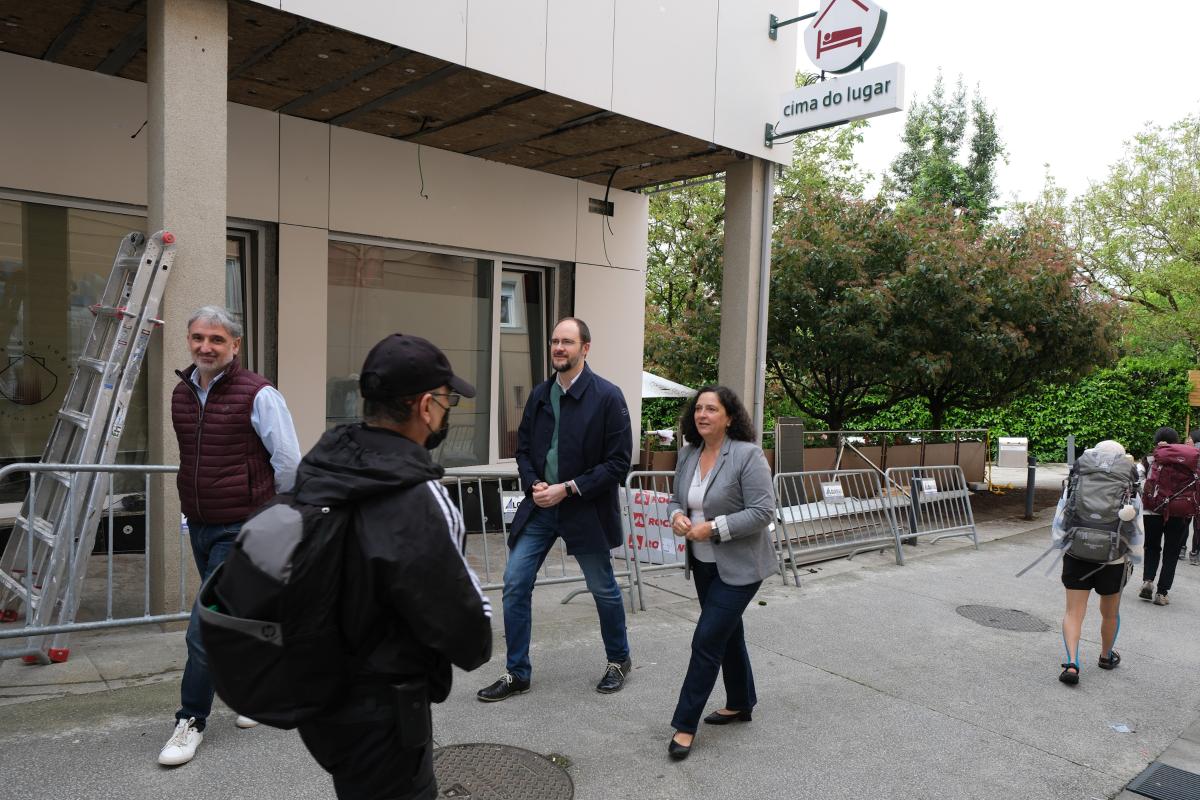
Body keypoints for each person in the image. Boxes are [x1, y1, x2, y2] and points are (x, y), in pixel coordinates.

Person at [290, 333, 493, 800]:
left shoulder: (321, 466)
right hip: (385, 709)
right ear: (425, 406)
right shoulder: (419, 496)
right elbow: (464, 626)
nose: (447, 411)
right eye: (447, 400)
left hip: (320, 693)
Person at [159, 305, 301, 766]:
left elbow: (288, 462)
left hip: (242, 527)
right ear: (189, 340)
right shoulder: (182, 393)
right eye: (198, 337)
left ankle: (190, 720)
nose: (206, 347)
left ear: (235, 345)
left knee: (205, 627)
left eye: (217, 339)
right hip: (201, 523)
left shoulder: (260, 394)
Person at [477, 317, 633, 701]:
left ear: (585, 348)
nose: (559, 348)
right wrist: (534, 483)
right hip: (541, 506)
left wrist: (568, 488)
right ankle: (517, 673)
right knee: (515, 583)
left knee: (602, 588)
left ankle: (619, 660)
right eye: (554, 341)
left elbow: (618, 463)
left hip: (584, 508)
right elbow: (523, 450)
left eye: (567, 341)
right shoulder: (540, 395)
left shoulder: (608, 397)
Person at [664, 386, 777, 760]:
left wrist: (713, 528)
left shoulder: (747, 455)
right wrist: (677, 516)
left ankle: (684, 725)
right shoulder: (688, 453)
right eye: (698, 408)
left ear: (729, 417)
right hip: (702, 564)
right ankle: (741, 702)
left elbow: (762, 511)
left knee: (707, 639)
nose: (702, 414)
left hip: (742, 566)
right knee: (727, 635)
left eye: (711, 409)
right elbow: (676, 499)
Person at [1051, 440, 1142, 686]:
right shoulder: (1129, 484)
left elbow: (1061, 514)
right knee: (1110, 613)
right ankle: (1105, 656)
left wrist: (1061, 544)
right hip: (1113, 559)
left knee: (1073, 612)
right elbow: (1137, 527)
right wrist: (1134, 556)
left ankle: (1072, 663)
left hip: (1077, 553)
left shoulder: (1078, 478)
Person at [1138, 427, 1193, 606]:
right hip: (1179, 511)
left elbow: (1139, 482)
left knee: (1152, 546)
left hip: (1152, 510)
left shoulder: (1149, 459)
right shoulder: (1187, 460)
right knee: (1172, 551)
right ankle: (1162, 593)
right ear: (1176, 442)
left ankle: (1148, 580)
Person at [1189, 429, 1200, 566]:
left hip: (1188, 491)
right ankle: (1195, 552)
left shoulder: (1190, 452)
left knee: (1185, 522)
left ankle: (1181, 549)